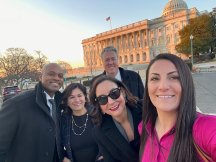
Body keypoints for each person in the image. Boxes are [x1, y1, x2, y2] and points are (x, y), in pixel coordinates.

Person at [139, 53, 216, 162]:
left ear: (186, 82)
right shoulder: (144, 128)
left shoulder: (206, 128)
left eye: (173, 77)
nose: (163, 87)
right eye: (155, 78)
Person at [0, 63, 64, 162]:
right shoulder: (17, 105)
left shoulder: (59, 103)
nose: (57, 78)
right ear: (40, 77)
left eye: (60, 76)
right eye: (51, 74)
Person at [89, 75, 142, 162]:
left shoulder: (146, 110)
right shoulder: (99, 132)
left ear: (123, 92)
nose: (111, 102)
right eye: (102, 99)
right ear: (99, 105)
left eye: (114, 93)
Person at [61, 83, 100, 162]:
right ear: (67, 102)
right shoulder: (63, 121)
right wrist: (64, 157)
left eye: (79, 96)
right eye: (72, 97)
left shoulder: (98, 114)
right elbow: (58, 145)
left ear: (85, 97)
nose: (77, 100)